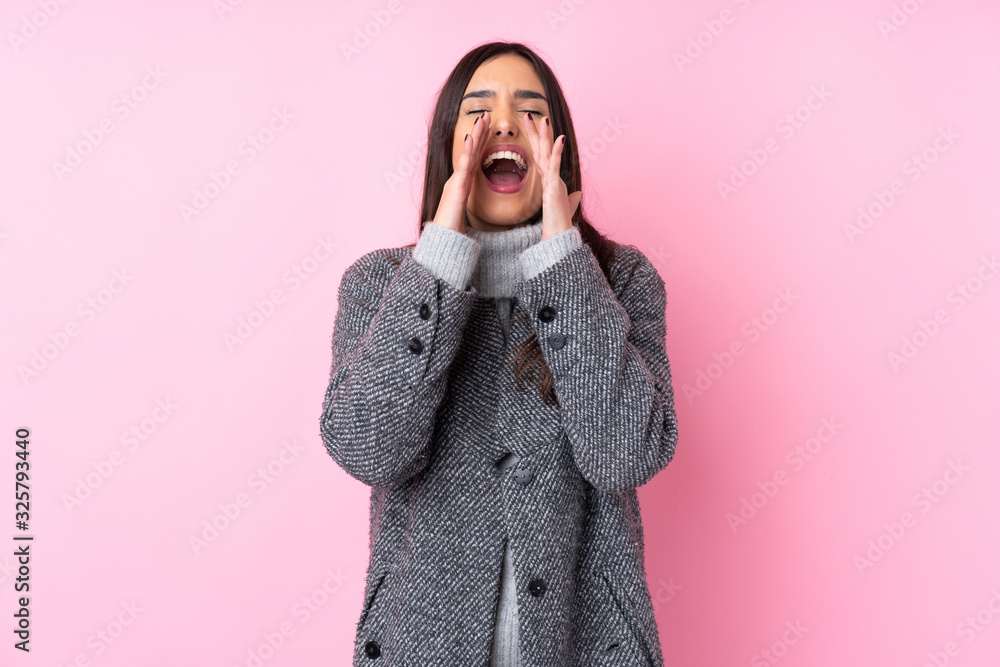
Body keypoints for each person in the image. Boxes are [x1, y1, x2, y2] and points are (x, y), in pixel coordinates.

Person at [320, 40, 679, 666]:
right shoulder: (378, 285)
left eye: (530, 111)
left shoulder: (622, 282)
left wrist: (564, 261)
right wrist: (440, 254)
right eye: (480, 111)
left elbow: (625, 454)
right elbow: (368, 447)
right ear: (448, 144)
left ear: (559, 147)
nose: (506, 123)